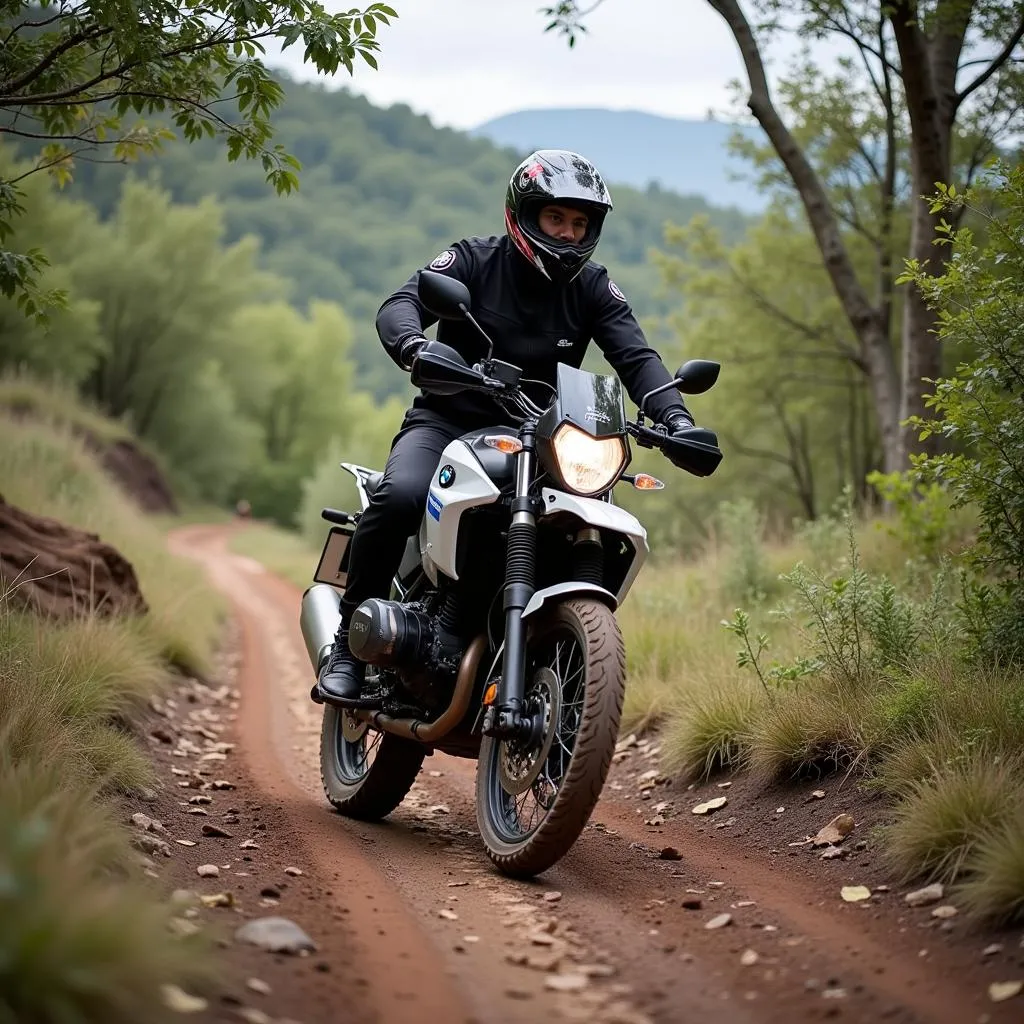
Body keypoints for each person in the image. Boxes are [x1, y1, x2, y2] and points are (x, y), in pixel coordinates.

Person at [313, 149, 704, 708]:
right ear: (524, 215)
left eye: (579, 223)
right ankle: (348, 649)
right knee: (399, 496)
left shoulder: (593, 287)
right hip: (449, 421)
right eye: (556, 220)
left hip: (543, 437)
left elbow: (637, 357)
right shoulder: (473, 260)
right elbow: (401, 302)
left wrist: (676, 419)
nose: (569, 235)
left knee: (576, 522)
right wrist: (414, 345)